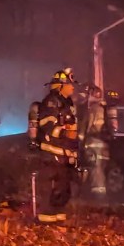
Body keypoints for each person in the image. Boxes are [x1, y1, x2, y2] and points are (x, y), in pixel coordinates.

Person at [34, 68, 80, 224]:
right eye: (70, 84)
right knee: (50, 188)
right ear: (60, 85)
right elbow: (46, 125)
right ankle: (46, 221)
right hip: (52, 151)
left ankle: (58, 217)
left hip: (65, 152)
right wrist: (64, 129)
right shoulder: (51, 102)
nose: (73, 87)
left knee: (64, 188)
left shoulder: (68, 103)